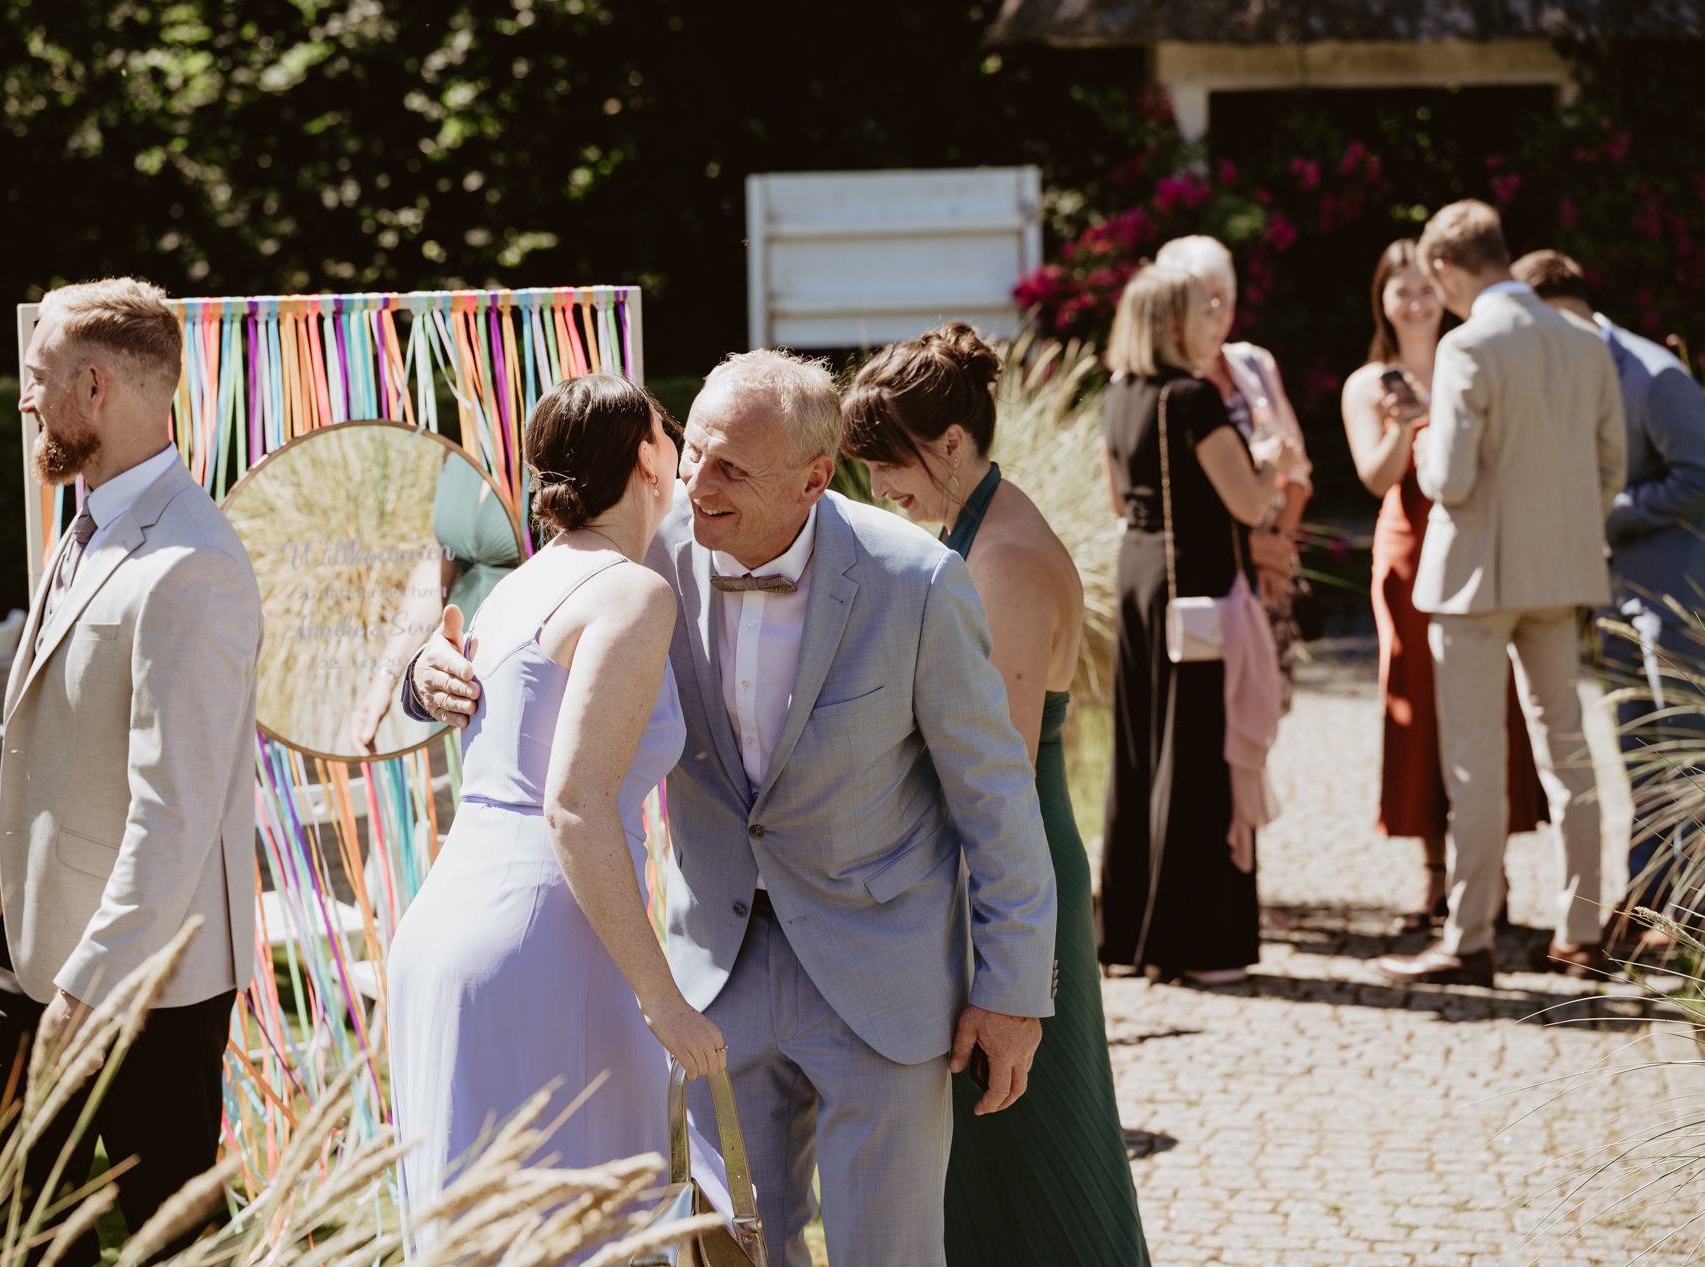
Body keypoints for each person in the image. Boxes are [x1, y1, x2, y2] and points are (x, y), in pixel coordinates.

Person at [406, 350, 1058, 1267]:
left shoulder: (915, 581)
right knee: (729, 1257)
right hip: (711, 975)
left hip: (882, 976)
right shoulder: (644, 558)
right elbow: (513, 646)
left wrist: (1012, 989)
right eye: (694, 451)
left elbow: (994, 797)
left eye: (730, 470)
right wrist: (419, 678)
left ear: (815, 478)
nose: (695, 484)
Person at [0, 278, 264, 1266]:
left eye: (37, 377)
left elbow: (172, 813)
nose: (25, 398)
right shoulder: (88, 516)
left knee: (164, 1230)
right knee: (6, 1205)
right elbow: (62, 732)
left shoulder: (192, 563)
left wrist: (89, 991)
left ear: (93, 386)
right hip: (32, 934)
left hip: (144, 977)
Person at [386, 374, 728, 1243]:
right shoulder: (631, 592)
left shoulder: (518, 584)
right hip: (549, 934)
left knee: (478, 1232)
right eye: (670, 430)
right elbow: (573, 805)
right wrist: (664, 999)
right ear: (651, 456)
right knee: (576, 1227)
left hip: (449, 919)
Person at [841, 323, 1148, 1266]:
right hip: (990, 856)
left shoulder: (1005, 560)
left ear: (949, 444)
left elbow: (995, 777)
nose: (877, 489)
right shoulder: (981, 525)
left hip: (1008, 872)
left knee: (1025, 1135)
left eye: (887, 464)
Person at [1373, 201, 1626, 987]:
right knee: (1569, 751)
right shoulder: (1584, 341)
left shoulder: (1467, 345)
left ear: (1447, 268)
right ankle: (1581, 929)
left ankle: (1470, 936)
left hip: (1475, 577)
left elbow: (1446, 476)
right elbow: (1611, 463)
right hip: (1561, 572)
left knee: (1475, 760)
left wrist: (1417, 441)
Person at [1341, 240, 1548, 935]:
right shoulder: (1368, 380)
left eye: (1425, 286)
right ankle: (1434, 871)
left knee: (1494, 701)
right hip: (1408, 550)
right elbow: (1373, 476)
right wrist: (1406, 425)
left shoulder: (1475, 354)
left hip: (1481, 538)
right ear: (1383, 299)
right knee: (1418, 703)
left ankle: (1489, 872)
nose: (1416, 300)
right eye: (1401, 289)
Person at [1099, 265, 1299, 985]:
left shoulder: (1119, 395)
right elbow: (1248, 503)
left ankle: (1126, 934)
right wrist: (1271, 464)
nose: (1217, 316)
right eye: (1201, 308)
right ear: (1171, 323)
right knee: (1197, 759)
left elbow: (1120, 499)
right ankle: (1197, 942)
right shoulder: (1192, 398)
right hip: (1199, 588)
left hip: (1142, 578)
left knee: (1140, 749)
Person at [1514, 248, 1705, 926]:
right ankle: (1650, 897)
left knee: (1687, 754)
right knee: (1637, 752)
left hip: (1677, 595)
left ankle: (1693, 916)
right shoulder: (1555, 373)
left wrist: (1601, 509)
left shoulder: (1654, 375)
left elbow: (1698, 475)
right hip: (1613, 595)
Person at [1155, 235, 1312, 704]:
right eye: (1207, 300)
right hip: (1210, 575)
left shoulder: (1254, 364)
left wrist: (1279, 547)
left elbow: (1299, 468)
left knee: (1266, 709)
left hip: (1270, 573)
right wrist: (1250, 550)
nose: (1220, 312)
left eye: (1227, 298)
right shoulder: (1164, 384)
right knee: (1215, 718)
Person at [347, 451, 522, 755]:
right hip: (452, 684)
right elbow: (437, 563)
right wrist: (383, 679)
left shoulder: (561, 433)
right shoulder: (455, 447)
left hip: (522, 683)